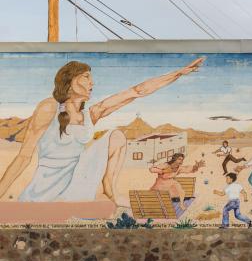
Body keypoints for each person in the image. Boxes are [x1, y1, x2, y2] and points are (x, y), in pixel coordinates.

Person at [0, 57, 204, 203]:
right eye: (86, 77)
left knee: (116, 136)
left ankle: (110, 191)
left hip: (77, 185)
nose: (92, 83)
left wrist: (178, 73)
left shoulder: (91, 114)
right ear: (69, 81)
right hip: (43, 190)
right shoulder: (49, 108)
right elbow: (23, 157)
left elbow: (137, 91)